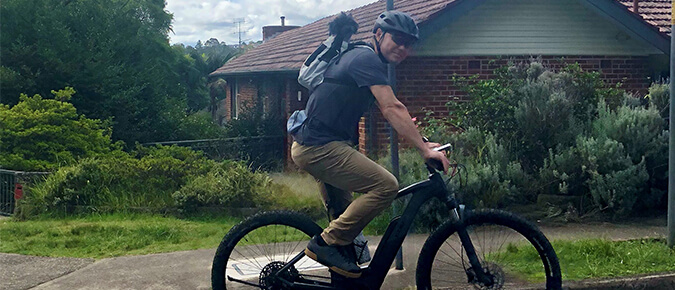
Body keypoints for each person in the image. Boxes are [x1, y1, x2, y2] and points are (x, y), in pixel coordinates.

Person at [290, 10, 450, 278]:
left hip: (320, 144)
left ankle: (341, 268)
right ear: (378, 34)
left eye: (408, 44)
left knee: (347, 236)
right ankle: (323, 244)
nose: (402, 47)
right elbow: (391, 107)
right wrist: (424, 151)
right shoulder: (365, 58)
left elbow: (393, 112)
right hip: (319, 147)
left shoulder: (364, 58)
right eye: (397, 39)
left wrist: (422, 141)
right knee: (386, 185)